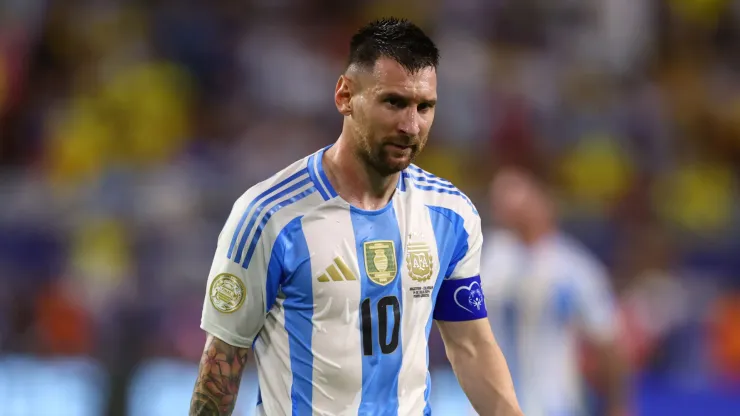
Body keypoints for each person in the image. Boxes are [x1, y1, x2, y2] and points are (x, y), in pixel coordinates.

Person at [189, 17, 523, 416]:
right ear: (345, 96)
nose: (410, 125)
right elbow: (222, 364)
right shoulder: (269, 216)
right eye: (393, 102)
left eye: (424, 107)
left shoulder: (451, 216)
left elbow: (470, 346)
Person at [480, 166, 629, 416]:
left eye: (518, 196)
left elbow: (608, 340)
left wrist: (617, 405)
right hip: (488, 405)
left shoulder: (573, 267)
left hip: (555, 404)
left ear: (542, 201)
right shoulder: (486, 256)